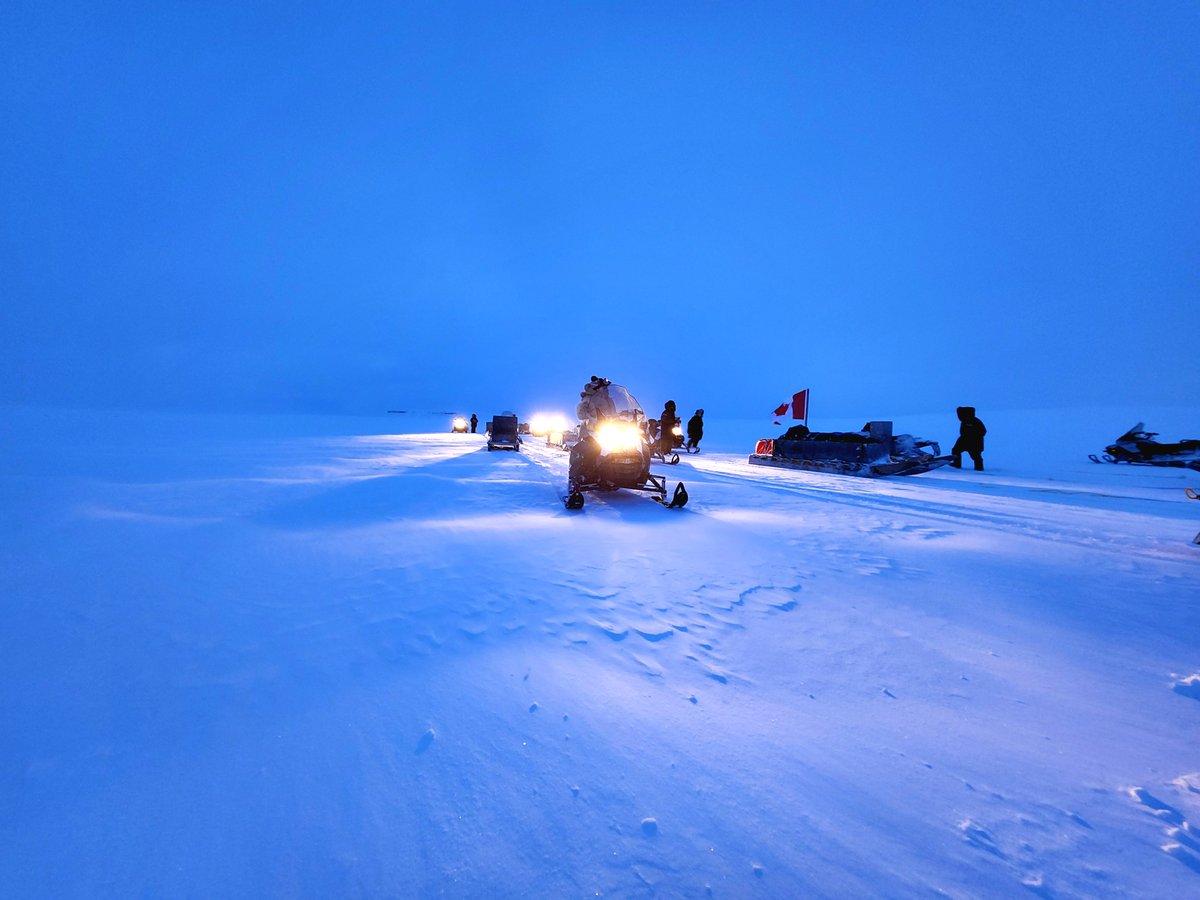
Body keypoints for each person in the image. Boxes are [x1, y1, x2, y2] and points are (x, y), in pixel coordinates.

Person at [951, 406, 986, 470]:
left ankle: (979, 469)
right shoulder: (964, 421)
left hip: (975, 442)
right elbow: (963, 432)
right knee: (956, 450)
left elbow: (983, 431)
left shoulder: (976, 421)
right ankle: (956, 464)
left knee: (975, 455)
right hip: (964, 440)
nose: (959, 416)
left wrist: (974, 437)